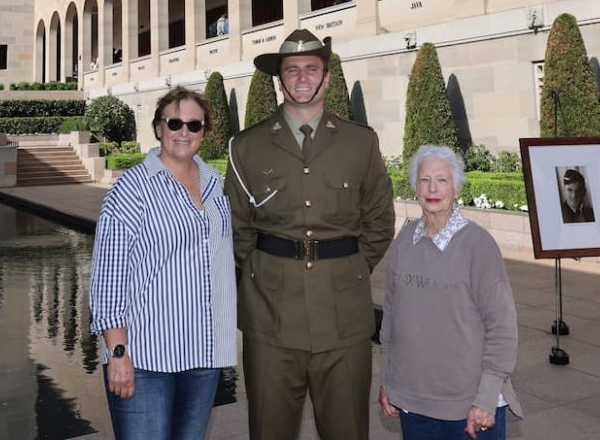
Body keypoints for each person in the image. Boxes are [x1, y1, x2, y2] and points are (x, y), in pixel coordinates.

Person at [225, 29, 395, 440]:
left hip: (344, 318)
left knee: (347, 431)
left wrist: (348, 267)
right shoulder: (246, 147)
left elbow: (379, 220)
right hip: (270, 319)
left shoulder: (361, 143)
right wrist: (267, 272)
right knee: (269, 430)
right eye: (292, 70)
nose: (301, 77)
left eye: (311, 69)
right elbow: (236, 228)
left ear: (327, 78)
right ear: (279, 79)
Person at [89, 87, 236, 440]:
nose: (184, 132)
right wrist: (118, 353)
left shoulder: (217, 187)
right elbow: (108, 278)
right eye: (175, 122)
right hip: (146, 359)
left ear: (204, 132)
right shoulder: (132, 190)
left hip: (203, 354)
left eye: (194, 125)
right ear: (158, 128)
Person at [379, 146, 523, 440]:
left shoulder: (478, 246)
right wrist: (387, 381)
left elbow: (502, 328)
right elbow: (391, 320)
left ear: (456, 188)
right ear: (414, 186)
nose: (433, 188)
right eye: (425, 180)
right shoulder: (405, 240)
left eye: (442, 180)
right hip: (414, 406)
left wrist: (485, 398)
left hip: (469, 409)